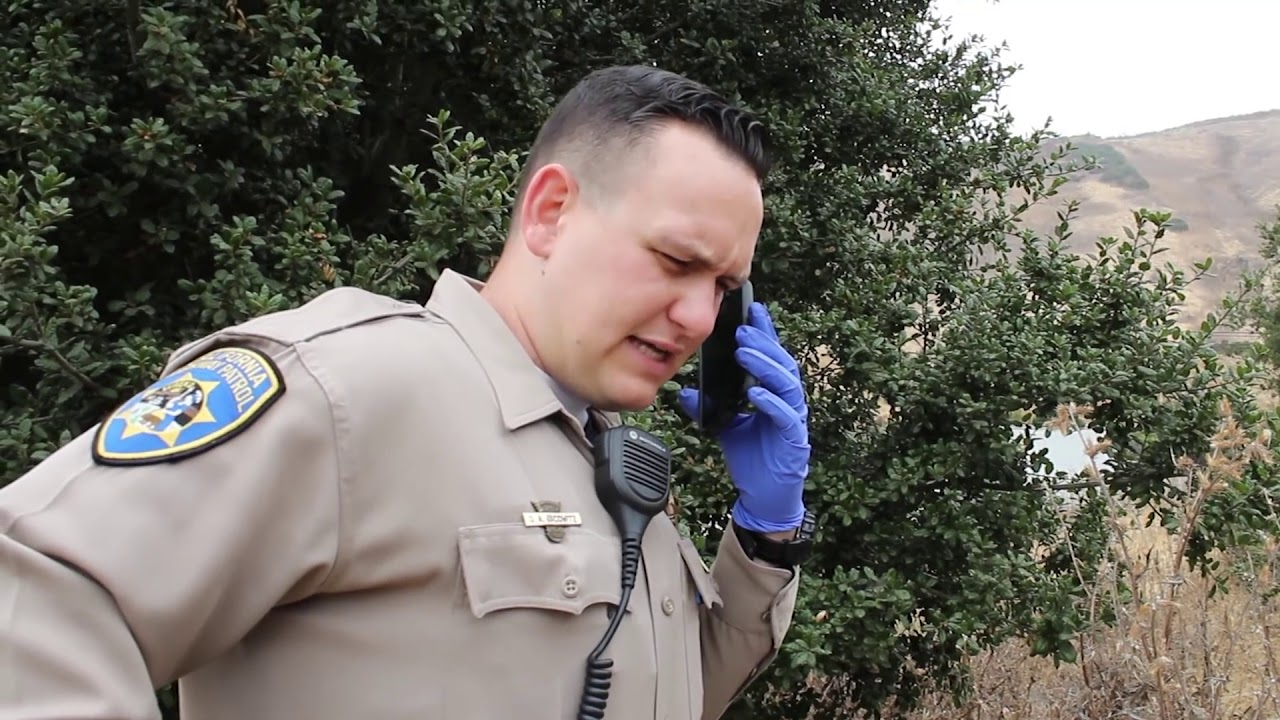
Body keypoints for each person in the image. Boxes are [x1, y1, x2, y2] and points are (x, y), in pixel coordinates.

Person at [0, 64, 815, 720]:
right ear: (552, 212)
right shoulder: (349, 387)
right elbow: (35, 591)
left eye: (724, 286)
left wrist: (767, 534)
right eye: (677, 262)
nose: (697, 316)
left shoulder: (615, 465)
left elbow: (668, 692)